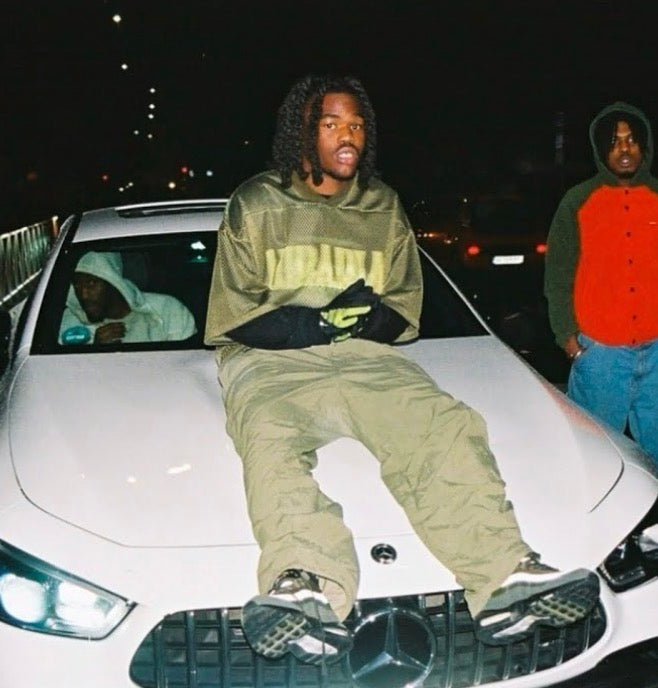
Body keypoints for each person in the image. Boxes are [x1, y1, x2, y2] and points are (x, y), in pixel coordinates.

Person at [205, 74, 599, 665]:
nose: (348, 137)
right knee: (269, 444)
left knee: (446, 425)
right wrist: (312, 323)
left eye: (357, 125)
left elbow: (403, 309)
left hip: (367, 360)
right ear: (303, 131)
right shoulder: (257, 202)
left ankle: (504, 578)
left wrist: (366, 318)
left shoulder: (382, 205)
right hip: (272, 363)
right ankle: (305, 586)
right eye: (331, 124)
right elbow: (233, 314)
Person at [545, 102, 658, 463]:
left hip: (656, 351)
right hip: (601, 354)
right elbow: (558, 272)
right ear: (600, 150)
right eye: (614, 142)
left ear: (644, 146)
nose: (624, 149)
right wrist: (567, 338)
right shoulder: (578, 201)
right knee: (598, 457)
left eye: (631, 140)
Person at [59, 251, 196, 344]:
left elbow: (187, 364)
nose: (83, 295)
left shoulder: (168, 310)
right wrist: (95, 351)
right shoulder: (69, 322)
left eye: (92, 283)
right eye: (77, 285)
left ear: (113, 281)